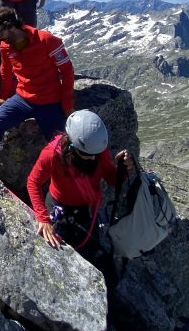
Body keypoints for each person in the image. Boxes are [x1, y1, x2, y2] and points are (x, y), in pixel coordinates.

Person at [27, 109, 134, 281]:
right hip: (58, 208)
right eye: (87, 155)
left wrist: (124, 170)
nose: (92, 159)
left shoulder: (98, 152)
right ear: (72, 145)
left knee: (102, 264)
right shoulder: (52, 154)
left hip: (85, 211)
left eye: (94, 155)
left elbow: (112, 178)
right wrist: (43, 218)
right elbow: (33, 182)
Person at [0, 7, 74, 173]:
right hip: (22, 99)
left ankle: (63, 188)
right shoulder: (5, 46)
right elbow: (5, 71)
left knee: (61, 145)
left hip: (48, 102)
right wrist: (3, 96)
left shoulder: (47, 40)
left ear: (10, 27)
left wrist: (67, 106)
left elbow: (67, 71)